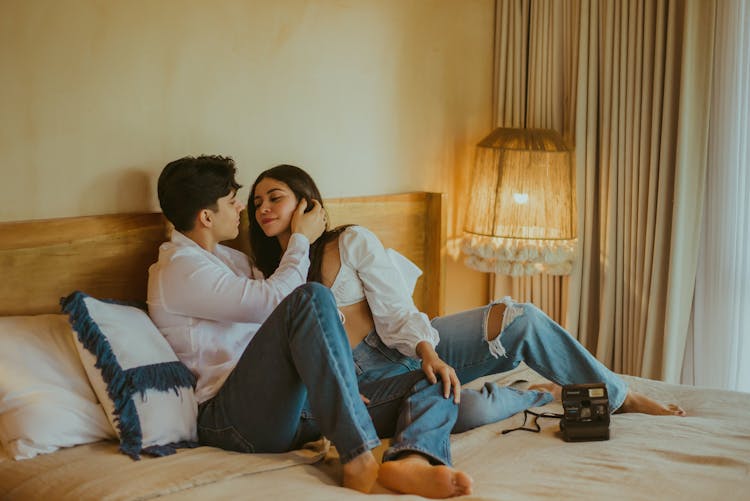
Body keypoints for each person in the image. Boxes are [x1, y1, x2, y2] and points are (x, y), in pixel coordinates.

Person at [248, 164, 687, 427]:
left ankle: (619, 394)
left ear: (307, 203)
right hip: (365, 378)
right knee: (469, 407)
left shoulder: (349, 242)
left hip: (407, 343)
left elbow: (398, 311)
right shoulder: (266, 276)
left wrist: (429, 353)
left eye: (275, 197)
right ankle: (540, 394)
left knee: (520, 318)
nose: (263, 208)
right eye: (255, 204)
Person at [147, 155, 474, 498]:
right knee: (313, 297)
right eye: (234, 202)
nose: (244, 209)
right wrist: (300, 239)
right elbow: (277, 302)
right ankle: (359, 460)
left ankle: (415, 459)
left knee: (435, 377)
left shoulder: (233, 260)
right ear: (206, 216)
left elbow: (284, 336)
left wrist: (337, 385)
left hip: (290, 409)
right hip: (231, 420)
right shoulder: (178, 269)